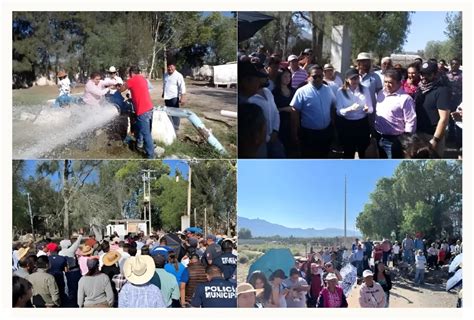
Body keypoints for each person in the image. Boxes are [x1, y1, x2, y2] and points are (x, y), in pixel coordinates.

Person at [290, 65, 336, 158]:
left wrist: (333, 123)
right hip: (308, 134)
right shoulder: (301, 91)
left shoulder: (328, 89)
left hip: (325, 133)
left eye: (320, 76)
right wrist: (295, 131)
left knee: (323, 158)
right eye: (315, 76)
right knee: (309, 160)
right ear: (309, 76)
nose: (318, 79)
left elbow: (333, 106)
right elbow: (294, 111)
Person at [374, 69, 417, 158]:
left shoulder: (405, 99)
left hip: (395, 140)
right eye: (385, 82)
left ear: (399, 83)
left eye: (390, 82)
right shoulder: (380, 93)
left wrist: (406, 142)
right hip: (379, 137)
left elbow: (411, 121)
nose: (387, 85)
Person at [414, 61, 451, 157]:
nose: (423, 77)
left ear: (435, 74)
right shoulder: (419, 89)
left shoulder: (442, 91)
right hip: (418, 134)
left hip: (432, 135)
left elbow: (444, 119)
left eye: (428, 74)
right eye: (422, 74)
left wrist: (435, 140)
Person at [335, 68, 373, 158]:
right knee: (349, 151)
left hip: (362, 124)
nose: (355, 80)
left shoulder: (365, 89)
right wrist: (349, 109)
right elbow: (338, 111)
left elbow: (371, 108)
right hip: (348, 125)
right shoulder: (340, 91)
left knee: (363, 151)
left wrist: (367, 109)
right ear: (347, 79)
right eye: (352, 78)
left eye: (357, 78)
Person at [121, 65, 155, 159]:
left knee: (145, 133)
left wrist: (118, 87)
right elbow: (139, 91)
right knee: (141, 129)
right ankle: (140, 144)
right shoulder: (142, 79)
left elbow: (121, 89)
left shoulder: (132, 80)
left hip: (142, 110)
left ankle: (150, 156)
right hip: (149, 108)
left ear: (131, 73)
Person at [272, 68, 298, 157]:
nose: (288, 79)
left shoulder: (294, 91)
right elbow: (273, 110)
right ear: (279, 77)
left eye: (289, 76)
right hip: (280, 124)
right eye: (285, 76)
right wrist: (284, 109)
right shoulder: (275, 93)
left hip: (293, 123)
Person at [162, 62, 186, 131]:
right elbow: (164, 84)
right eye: (168, 67)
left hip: (174, 97)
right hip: (167, 97)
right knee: (168, 111)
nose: (170, 68)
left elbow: (182, 87)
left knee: (175, 112)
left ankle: (176, 127)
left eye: (171, 67)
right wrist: (163, 92)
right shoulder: (165, 75)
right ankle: (170, 125)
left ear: (175, 67)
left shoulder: (178, 75)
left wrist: (183, 97)